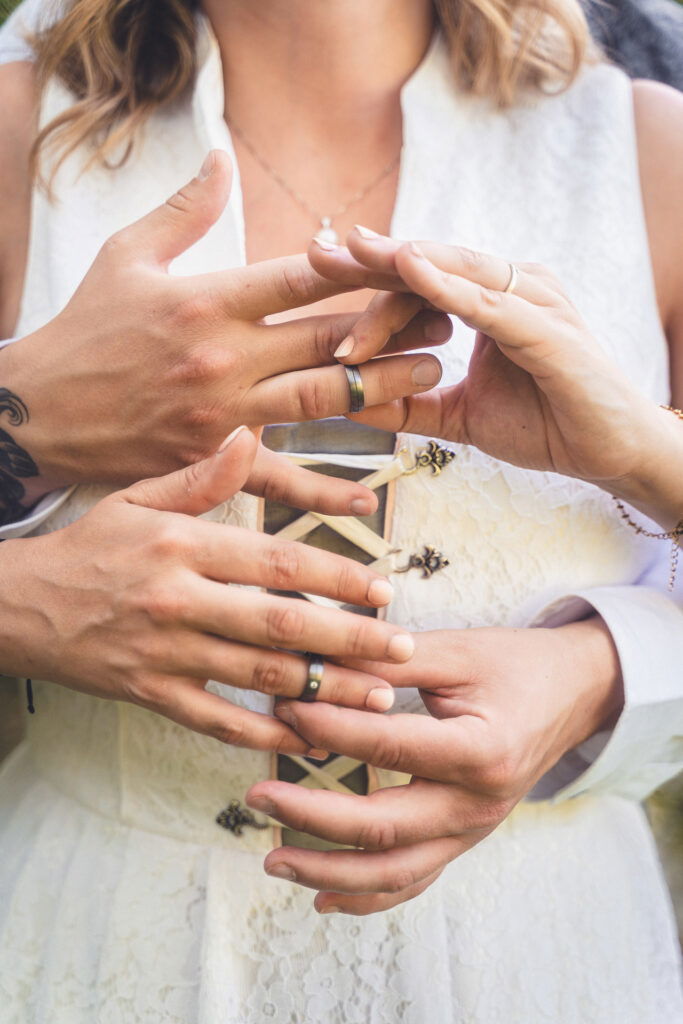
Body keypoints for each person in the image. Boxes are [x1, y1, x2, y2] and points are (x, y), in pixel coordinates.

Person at [0, 3, 682, 1024]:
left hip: (537, 959)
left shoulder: (646, 153)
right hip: (95, 943)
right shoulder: (18, 136)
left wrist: (603, 674)